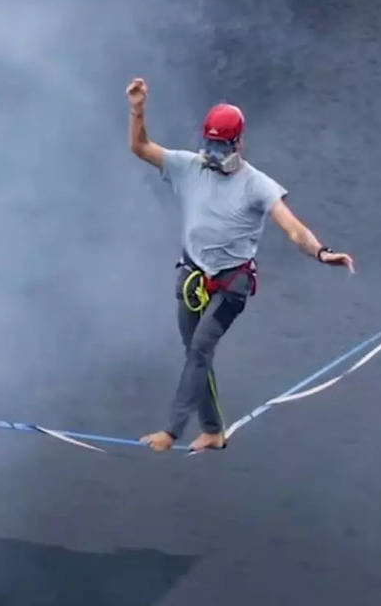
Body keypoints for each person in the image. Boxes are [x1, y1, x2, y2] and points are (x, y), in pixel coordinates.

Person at [125, 78, 356, 452]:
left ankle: (172, 431)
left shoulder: (258, 185)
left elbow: (293, 228)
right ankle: (213, 430)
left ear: (239, 143)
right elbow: (139, 146)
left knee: (200, 349)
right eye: (210, 145)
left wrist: (322, 252)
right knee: (194, 354)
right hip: (192, 275)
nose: (214, 153)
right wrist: (138, 109)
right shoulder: (188, 166)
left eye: (222, 145)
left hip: (232, 285)